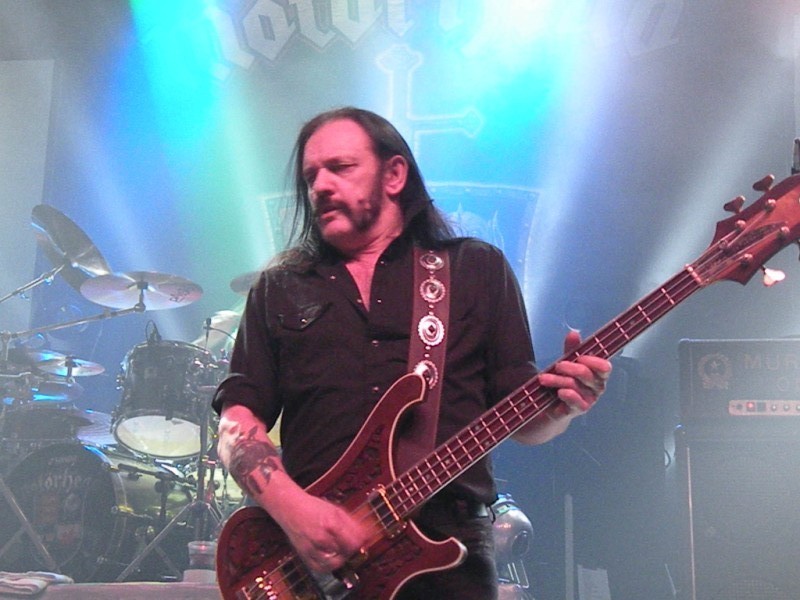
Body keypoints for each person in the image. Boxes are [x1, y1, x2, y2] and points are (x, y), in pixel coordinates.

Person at [212, 107, 612, 599]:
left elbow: (527, 424)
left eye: (340, 167)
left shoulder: (475, 269)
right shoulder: (280, 286)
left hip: (448, 557)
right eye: (311, 176)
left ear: (395, 175)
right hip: (313, 563)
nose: (320, 186)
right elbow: (236, 423)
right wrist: (293, 511)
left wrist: (564, 407)